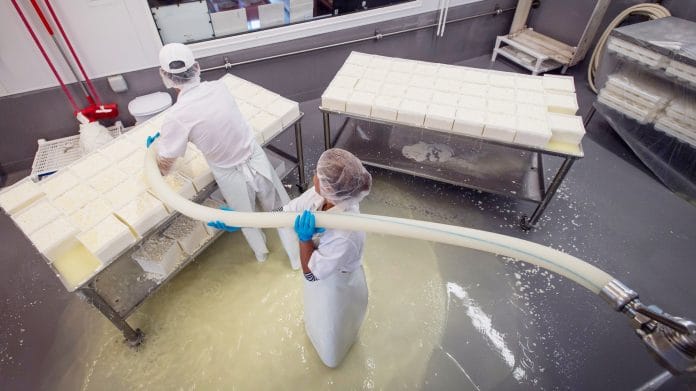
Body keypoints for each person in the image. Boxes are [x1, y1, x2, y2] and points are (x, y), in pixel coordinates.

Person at [149, 43, 295, 263]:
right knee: (281, 212)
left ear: (166, 78)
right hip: (255, 158)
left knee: (246, 220)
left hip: (229, 173)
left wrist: (158, 150)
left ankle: (262, 257)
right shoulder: (220, 87)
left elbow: (164, 167)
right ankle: (296, 258)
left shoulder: (176, 117)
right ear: (197, 68)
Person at [282, 148, 371, 367]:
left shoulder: (346, 232)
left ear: (331, 187)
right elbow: (284, 212)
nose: (315, 175)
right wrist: (239, 219)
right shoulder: (321, 194)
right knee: (314, 321)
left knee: (333, 344)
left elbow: (311, 275)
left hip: (338, 288)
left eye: (319, 174)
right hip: (322, 278)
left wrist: (304, 240)